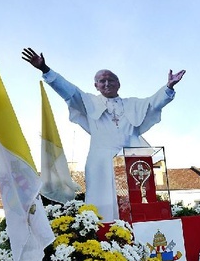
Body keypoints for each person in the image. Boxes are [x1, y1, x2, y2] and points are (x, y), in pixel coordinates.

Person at [22, 47, 185, 222]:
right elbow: (69, 91)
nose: (106, 83)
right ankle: (105, 238)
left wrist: (168, 87)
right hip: (99, 161)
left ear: (118, 84)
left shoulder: (133, 105)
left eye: (111, 80)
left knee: (135, 203)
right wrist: (45, 69)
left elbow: (154, 103)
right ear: (96, 85)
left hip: (130, 162)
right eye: (102, 81)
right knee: (102, 204)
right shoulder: (89, 102)